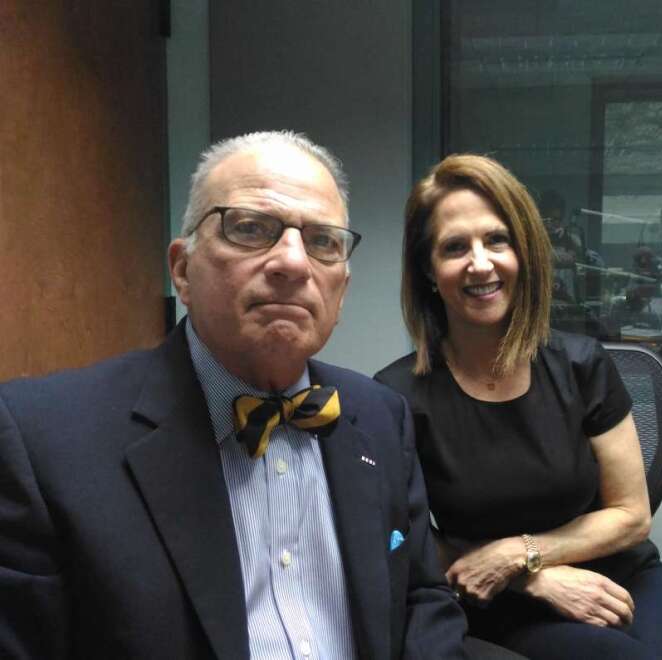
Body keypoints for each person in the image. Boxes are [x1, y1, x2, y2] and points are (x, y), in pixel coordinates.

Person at [0, 131, 469, 659]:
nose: (293, 263)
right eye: (250, 229)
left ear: (342, 287)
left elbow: (422, 599)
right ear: (182, 269)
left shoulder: (381, 415)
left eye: (322, 242)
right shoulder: (42, 439)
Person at [375, 154, 662, 660]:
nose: (481, 263)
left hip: (614, 571)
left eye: (496, 240)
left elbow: (631, 516)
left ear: (523, 253)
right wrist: (527, 578)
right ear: (430, 271)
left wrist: (521, 554)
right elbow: (407, 538)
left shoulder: (583, 365)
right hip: (495, 594)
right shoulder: (396, 398)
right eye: (455, 247)